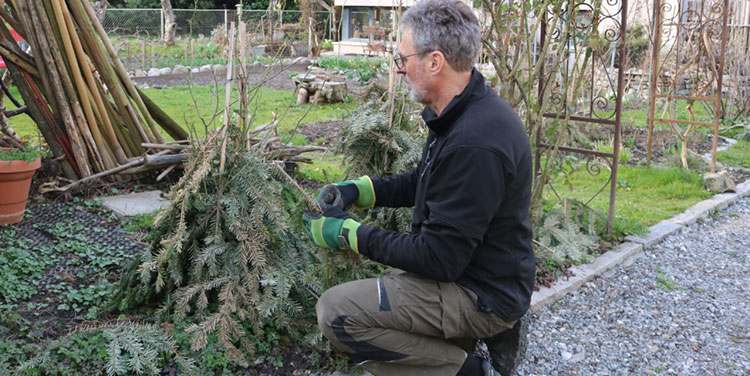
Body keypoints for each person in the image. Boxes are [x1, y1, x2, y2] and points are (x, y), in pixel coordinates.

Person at [302, 0, 534, 374]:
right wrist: (358, 191)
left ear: (434, 62)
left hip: (480, 294)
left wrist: (348, 234)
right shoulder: (462, 111)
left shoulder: (476, 142)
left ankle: (471, 370)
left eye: (402, 58)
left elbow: (438, 259)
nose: (400, 68)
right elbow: (426, 181)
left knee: (339, 313)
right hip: (471, 277)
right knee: (384, 334)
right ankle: (454, 355)